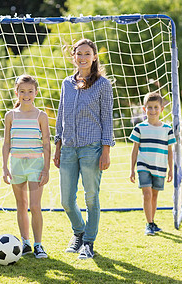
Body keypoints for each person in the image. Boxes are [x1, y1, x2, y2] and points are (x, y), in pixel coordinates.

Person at [53, 38, 115, 259]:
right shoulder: (66, 84)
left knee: (91, 197)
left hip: (92, 149)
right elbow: (61, 116)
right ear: (73, 56)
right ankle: (79, 232)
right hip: (68, 148)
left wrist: (106, 150)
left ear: (94, 57)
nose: (83, 57)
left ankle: (88, 242)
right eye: (79, 53)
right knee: (66, 200)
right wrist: (58, 146)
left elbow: (107, 119)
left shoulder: (103, 84)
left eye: (87, 53)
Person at [2, 75, 51, 259]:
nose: (26, 95)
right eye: (22, 91)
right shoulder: (10, 116)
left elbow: (46, 144)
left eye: (30, 91)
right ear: (17, 93)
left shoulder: (41, 116)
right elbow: (6, 143)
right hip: (16, 164)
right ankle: (26, 243)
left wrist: (46, 169)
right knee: (21, 205)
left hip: (35, 165)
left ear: (36, 92)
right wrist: (4, 167)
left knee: (35, 206)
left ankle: (38, 245)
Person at [129, 92, 176, 235]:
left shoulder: (167, 129)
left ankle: (152, 221)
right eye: (149, 108)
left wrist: (170, 170)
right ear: (144, 109)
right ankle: (149, 224)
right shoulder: (139, 128)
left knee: (155, 195)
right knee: (147, 194)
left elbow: (170, 151)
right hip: (143, 166)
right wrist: (132, 169)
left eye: (156, 107)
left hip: (160, 168)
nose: (153, 111)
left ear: (162, 109)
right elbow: (135, 149)